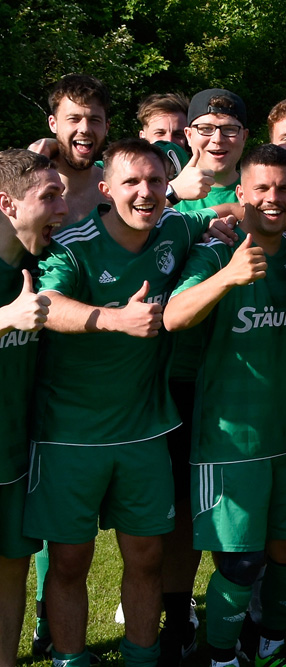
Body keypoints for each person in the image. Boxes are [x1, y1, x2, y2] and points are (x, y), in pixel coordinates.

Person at [24, 138, 230, 667]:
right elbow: (49, 304)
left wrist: (220, 228)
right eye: (132, 182)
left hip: (144, 429)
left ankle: (142, 657)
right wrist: (115, 318)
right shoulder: (74, 244)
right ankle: (71, 659)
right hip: (70, 433)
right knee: (70, 561)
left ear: (169, 188)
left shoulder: (175, 227)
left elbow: (223, 211)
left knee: (147, 556)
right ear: (104, 188)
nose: (145, 193)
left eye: (156, 182)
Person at [163, 144, 286, 667]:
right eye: (262, 189)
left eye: (284, 188)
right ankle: (220, 657)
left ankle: (268, 647)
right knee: (241, 561)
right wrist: (226, 276)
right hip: (228, 440)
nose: (274, 198)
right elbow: (174, 316)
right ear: (241, 194)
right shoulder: (215, 251)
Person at [0, 149, 64, 667]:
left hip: (16, 459)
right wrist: (6, 317)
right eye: (49, 196)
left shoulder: (39, 266)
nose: (62, 208)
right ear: (7, 203)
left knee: (12, 571)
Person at [37, 74, 110, 224]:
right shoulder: (26, 190)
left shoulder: (117, 191)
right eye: (74, 119)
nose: (85, 129)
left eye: (94, 120)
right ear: (53, 123)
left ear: (106, 127)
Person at [174, 88, 249, 213]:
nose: (218, 139)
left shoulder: (263, 190)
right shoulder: (164, 193)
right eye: (206, 129)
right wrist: (173, 193)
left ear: (244, 136)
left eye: (229, 129)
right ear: (189, 136)